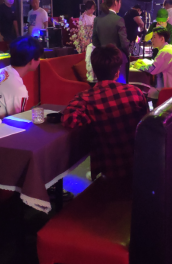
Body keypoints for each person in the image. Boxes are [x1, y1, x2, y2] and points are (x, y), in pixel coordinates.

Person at [62, 44, 148, 180]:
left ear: (94, 71)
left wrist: (90, 119)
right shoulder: (135, 92)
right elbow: (146, 125)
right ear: (117, 72)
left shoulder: (85, 98)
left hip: (108, 172)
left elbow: (68, 120)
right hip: (140, 169)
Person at [0, 36, 43, 122]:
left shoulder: (0, 72)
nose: (40, 60)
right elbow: (17, 122)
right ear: (31, 61)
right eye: (39, 57)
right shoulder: (19, 89)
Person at [136, 27, 172, 99]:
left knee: (147, 93)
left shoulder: (164, 51)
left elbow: (152, 70)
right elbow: (157, 65)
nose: (152, 40)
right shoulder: (170, 47)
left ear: (162, 39)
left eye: (154, 37)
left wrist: (137, 66)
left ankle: (151, 106)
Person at [92, 0, 130, 83]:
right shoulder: (118, 19)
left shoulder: (97, 19)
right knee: (120, 87)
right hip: (118, 59)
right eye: (120, 2)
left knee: (104, 86)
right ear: (116, 2)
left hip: (102, 60)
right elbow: (124, 44)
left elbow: (95, 41)